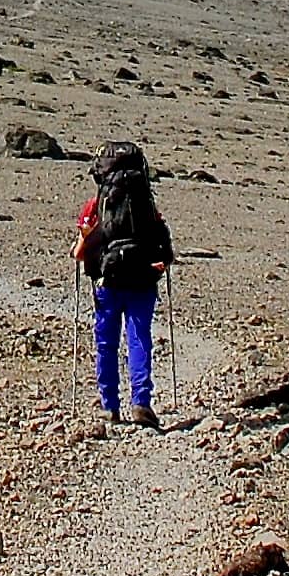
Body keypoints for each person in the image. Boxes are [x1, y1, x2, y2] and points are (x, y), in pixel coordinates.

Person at [73, 141, 174, 427]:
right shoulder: (146, 203)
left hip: (108, 282)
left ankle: (110, 406)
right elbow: (163, 247)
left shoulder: (97, 205)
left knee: (107, 343)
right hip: (142, 280)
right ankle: (141, 403)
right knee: (139, 338)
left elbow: (80, 253)